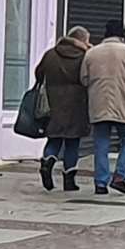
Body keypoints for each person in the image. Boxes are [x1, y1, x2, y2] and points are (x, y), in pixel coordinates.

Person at [80, 19, 125, 196]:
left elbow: (84, 79)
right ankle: (119, 176)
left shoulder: (91, 53)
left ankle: (100, 183)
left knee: (101, 143)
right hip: (123, 103)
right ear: (121, 33)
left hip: (98, 104)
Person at [34, 26, 91, 192]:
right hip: (77, 103)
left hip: (53, 102)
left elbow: (39, 73)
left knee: (54, 138)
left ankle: (47, 161)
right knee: (73, 142)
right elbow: (88, 78)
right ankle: (69, 180)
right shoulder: (84, 56)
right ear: (82, 40)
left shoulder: (51, 54)